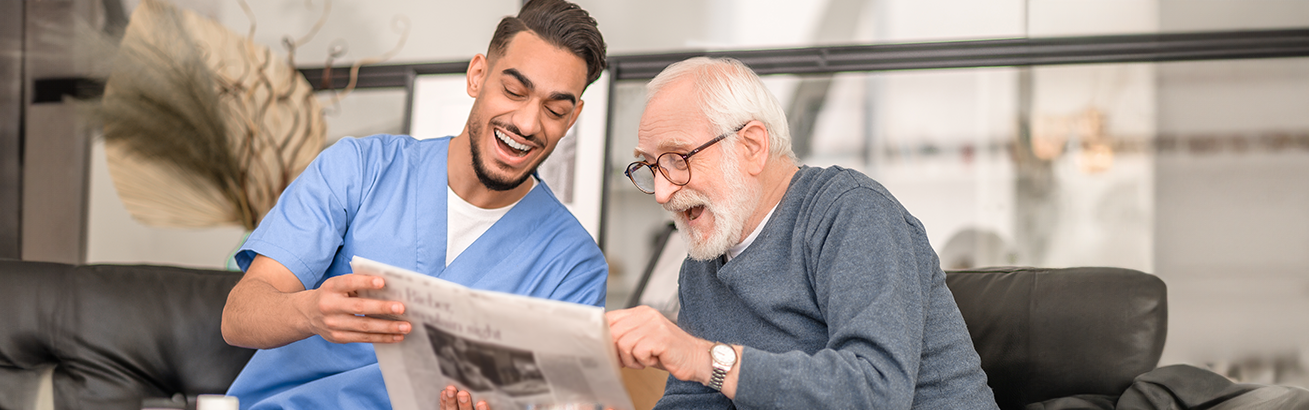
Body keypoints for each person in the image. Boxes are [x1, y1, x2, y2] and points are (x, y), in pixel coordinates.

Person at [219, 1, 609, 408]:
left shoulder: (574, 266)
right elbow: (239, 316)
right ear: (478, 75)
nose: (528, 124)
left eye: (555, 109)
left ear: (573, 117)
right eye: (514, 91)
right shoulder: (360, 169)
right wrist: (309, 312)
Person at [605, 56, 998, 409]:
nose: (661, 192)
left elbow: (876, 390)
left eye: (677, 159)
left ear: (753, 146)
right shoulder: (702, 263)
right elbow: (692, 402)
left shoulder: (852, 212)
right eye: (651, 166)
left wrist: (703, 359)